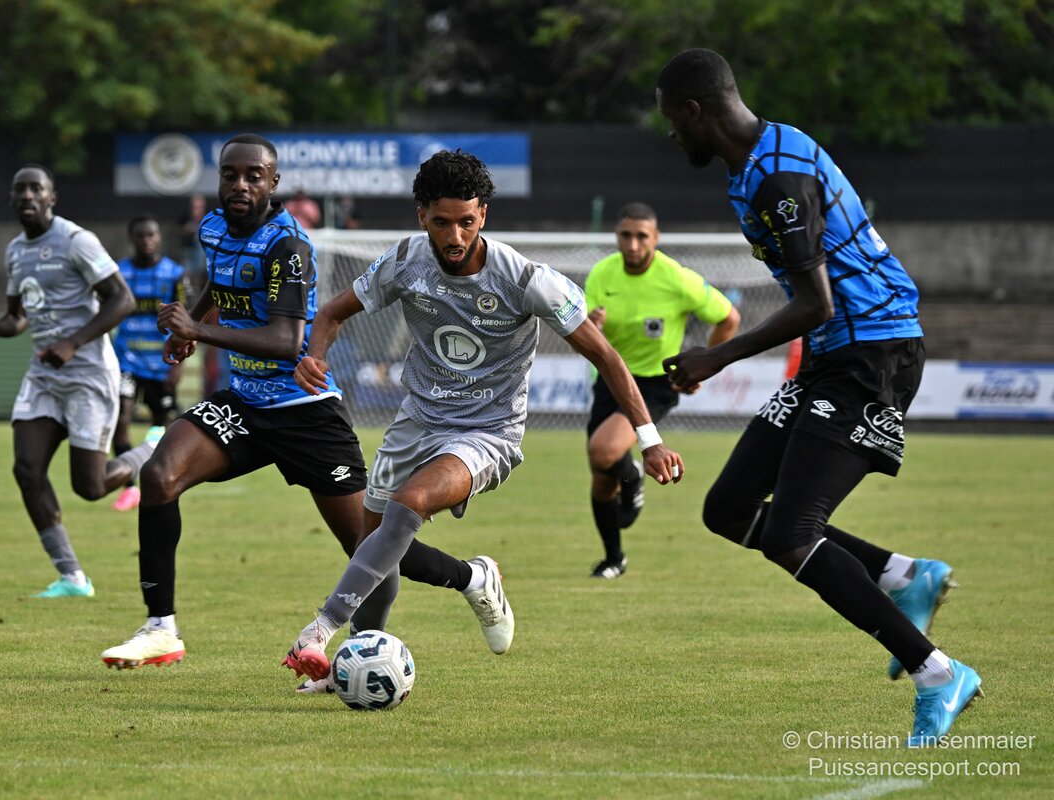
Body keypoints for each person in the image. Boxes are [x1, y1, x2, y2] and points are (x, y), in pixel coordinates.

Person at [655, 48, 981, 747]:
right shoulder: (763, 157)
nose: (672, 137)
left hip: (872, 354)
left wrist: (716, 355)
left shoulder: (777, 179)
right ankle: (904, 576)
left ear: (696, 111)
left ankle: (936, 673)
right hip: (836, 356)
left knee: (791, 534)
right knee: (729, 508)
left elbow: (816, 303)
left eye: (672, 122)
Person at [98, 135, 515, 675]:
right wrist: (193, 325)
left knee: (371, 548)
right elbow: (221, 282)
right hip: (246, 403)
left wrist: (197, 330)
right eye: (230, 175)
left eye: (253, 176)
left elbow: (285, 341)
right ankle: (160, 628)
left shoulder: (288, 246)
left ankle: (472, 577)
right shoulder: (212, 227)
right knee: (159, 476)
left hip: (305, 412)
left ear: (273, 183)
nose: (240, 185)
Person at [283, 150, 685, 684]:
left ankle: (320, 630)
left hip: (488, 432)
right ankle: (366, 657)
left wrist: (650, 440)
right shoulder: (405, 261)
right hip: (416, 420)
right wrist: (315, 354)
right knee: (373, 547)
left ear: (484, 215)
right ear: (422, 216)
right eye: (441, 222)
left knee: (409, 504)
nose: (455, 236)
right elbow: (332, 313)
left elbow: (606, 356)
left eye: (466, 222)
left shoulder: (526, 279)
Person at [0, 164, 154, 598]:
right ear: (12, 198)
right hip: (44, 376)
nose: (27, 195)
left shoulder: (76, 241)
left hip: (88, 374)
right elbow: (18, 318)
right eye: (20, 189)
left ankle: (151, 451)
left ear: (51, 197)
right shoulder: (15, 251)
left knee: (89, 487)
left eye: (36, 188)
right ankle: (72, 576)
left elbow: (122, 299)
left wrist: (73, 342)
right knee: (26, 469)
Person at [583, 203, 740, 578]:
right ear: (616, 236)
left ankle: (634, 478)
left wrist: (704, 366)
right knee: (602, 475)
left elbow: (728, 318)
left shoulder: (677, 278)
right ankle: (614, 559)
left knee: (604, 451)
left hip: (656, 383)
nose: (633, 244)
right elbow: (583, 330)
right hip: (609, 379)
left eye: (642, 236)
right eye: (626, 235)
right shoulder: (602, 273)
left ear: (655, 238)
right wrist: (592, 324)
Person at [109, 215, 187, 512]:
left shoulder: (173, 274)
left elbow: (187, 316)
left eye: (151, 235)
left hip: (161, 363)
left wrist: (179, 364)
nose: (146, 240)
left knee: (162, 426)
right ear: (132, 238)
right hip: (126, 361)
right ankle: (129, 488)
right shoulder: (119, 273)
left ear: (159, 238)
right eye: (141, 235)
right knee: (121, 419)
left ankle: (156, 481)